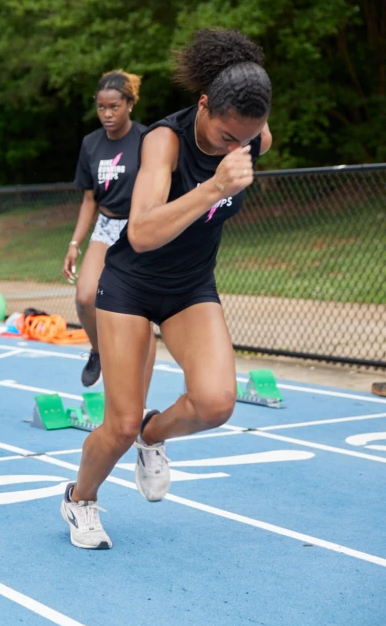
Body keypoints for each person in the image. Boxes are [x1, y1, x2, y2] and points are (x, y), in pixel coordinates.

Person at [61, 29, 273, 549]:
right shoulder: (164, 141)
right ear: (203, 106)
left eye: (247, 139)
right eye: (227, 137)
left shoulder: (254, 137)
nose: (237, 148)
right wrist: (214, 187)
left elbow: (252, 133)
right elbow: (141, 232)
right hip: (130, 286)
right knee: (118, 424)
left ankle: (152, 434)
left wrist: (242, 149)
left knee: (216, 403)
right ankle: (80, 498)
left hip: (190, 287)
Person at [63, 70, 156, 388]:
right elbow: (89, 199)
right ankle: (98, 351)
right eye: (101, 107)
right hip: (105, 225)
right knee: (86, 296)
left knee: (141, 311)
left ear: (129, 104)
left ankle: (138, 392)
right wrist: (74, 243)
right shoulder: (90, 144)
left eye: (114, 107)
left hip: (138, 227)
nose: (107, 114)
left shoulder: (146, 139)